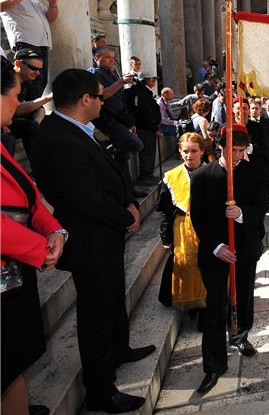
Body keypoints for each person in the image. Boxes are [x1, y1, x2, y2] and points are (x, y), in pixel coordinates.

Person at [31, 69, 154, 413]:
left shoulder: (74, 130)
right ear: (86, 99)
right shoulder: (56, 138)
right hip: (90, 239)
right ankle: (101, 390)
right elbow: (86, 197)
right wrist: (125, 216)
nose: (104, 102)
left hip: (105, 235)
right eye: (101, 96)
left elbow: (109, 174)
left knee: (113, 298)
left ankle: (120, 349)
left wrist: (129, 200)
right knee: (95, 314)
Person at [1, 58, 65, 415]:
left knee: (11, 368)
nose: (18, 102)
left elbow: (26, 195)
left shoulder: (3, 142)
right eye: (14, 94)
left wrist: (53, 229)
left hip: (14, 274)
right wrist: (39, 248)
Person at [190, 124, 269, 394]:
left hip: (245, 247)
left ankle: (240, 334)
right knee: (215, 306)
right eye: (231, 149)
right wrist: (216, 246)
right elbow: (197, 218)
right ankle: (213, 365)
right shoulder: (202, 176)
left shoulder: (255, 171)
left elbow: (262, 205)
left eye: (240, 150)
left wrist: (242, 213)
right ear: (220, 147)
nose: (236, 155)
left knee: (244, 296)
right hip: (215, 253)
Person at [156, 132, 207, 315]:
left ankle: (207, 306)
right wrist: (166, 236)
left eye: (194, 151)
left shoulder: (213, 172)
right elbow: (165, 210)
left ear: (202, 151)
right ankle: (191, 304)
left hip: (208, 227)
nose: (189, 155)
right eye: (185, 151)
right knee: (185, 265)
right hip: (182, 227)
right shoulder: (171, 176)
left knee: (206, 266)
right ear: (179, 151)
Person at [0, 0, 58, 99]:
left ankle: (31, 111)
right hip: (26, 42)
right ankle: (20, 111)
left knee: (40, 81)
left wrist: (53, 4)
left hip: (42, 43)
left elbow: (51, 18)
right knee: (27, 81)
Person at [9, 48, 51, 158]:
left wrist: (37, 122)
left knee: (50, 120)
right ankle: (40, 169)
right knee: (29, 127)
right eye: (33, 68)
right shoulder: (6, 80)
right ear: (18, 64)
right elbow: (15, 109)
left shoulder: (28, 81)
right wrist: (47, 98)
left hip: (14, 121)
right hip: (4, 124)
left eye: (39, 69)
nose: (37, 73)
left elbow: (38, 107)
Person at [125, 72, 162, 186]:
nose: (154, 82)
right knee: (147, 152)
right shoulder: (142, 93)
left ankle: (148, 175)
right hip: (145, 127)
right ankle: (145, 176)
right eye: (152, 79)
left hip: (144, 126)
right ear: (146, 80)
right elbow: (146, 113)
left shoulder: (142, 92)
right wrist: (155, 128)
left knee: (147, 152)